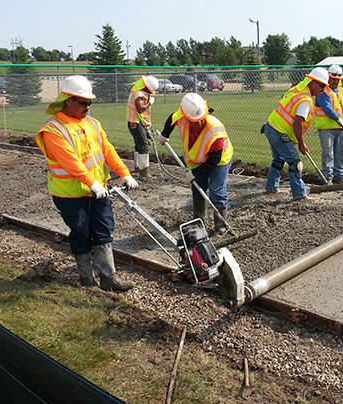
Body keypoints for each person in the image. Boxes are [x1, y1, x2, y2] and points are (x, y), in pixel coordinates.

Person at [35, 75, 138, 291]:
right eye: (83, 103)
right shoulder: (53, 130)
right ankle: (87, 281)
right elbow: (70, 162)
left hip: (98, 190)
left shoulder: (92, 123)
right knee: (81, 232)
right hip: (70, 194)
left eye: (90, 103)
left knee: (103, 231)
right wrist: (91, 182)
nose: (87, 107)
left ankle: (109, 279)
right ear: (67, 100)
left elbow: (107, 149)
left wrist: (124, 172)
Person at [157, 93, 233, 234]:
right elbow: (171, 118)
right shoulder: (181, 117)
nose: (199, 123)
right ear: (186, 117)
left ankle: (221, 226)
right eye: (194, 120)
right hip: (196, 160)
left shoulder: (215, 129)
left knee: (217, 192)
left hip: (219, 161)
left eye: (201, 119)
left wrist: (195, 173)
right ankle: (199, 220)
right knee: (198, 188)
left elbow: (214, 159)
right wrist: (165, 134)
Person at [262, 67, 329, 201]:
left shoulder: (297, 89)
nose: (323, 89)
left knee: (279, 159)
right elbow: (298, 123)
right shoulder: (305, 101)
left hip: (271, 127)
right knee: (295, 163)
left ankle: (271, 187)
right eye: (322, 85)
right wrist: (301, 144)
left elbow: (284, 99)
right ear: (313, 83)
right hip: (280, 133)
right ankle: (300, 195)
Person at [314, 65, 343, 184]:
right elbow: (327, 108)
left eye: (337, 79)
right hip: (326, 129)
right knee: (328, 153)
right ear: (328, 78)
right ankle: (327, 177)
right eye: (333, 79)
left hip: (340, 128)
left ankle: (339, 176)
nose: (335, 81)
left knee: (340, 152)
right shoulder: (323, 92)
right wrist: (339, 120)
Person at [127, 75, 159, 179]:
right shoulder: (138, 94)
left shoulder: (138, 93)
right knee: (144, 146)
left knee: (139, 144)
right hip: (135, 123)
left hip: (137, 122)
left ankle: (137, 167)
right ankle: (144, 172)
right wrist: (149, 103)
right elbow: (140, 108)